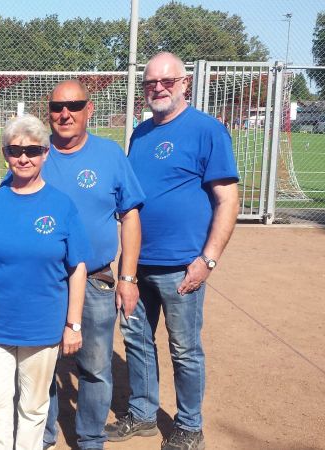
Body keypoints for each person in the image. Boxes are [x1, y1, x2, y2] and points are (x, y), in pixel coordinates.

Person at [106, 52, 239, 450]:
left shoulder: (207, 130)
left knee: (184, 348)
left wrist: (208, 259)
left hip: (183, 266)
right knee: (136, 341)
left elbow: (227, 201)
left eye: (166, 81)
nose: (158, 89)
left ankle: (189, 424)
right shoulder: (141, 134)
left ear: (185, 83)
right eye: (150, 84)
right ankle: (144, 414)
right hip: (137, 262)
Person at [0, 115, 91, 450]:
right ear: (5, 154)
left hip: (42, 325)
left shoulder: (62, 205)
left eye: (33, 150)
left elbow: (78, 268)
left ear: (45, 153)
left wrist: (73, 324)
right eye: (16, 150)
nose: (24, 157)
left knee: (33, 408)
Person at [37, 80, 145, 450]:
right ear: (47, 112)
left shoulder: (110, 155)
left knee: (95, 368)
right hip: (47, 282)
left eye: (74, 105)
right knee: (42, 364)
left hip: (97, 279)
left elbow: (129, 215)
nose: (64, 114)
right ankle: (44, 436)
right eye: (56, 107)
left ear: (90, 110)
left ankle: (90, 439)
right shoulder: (35, 153)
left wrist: (128, 277)